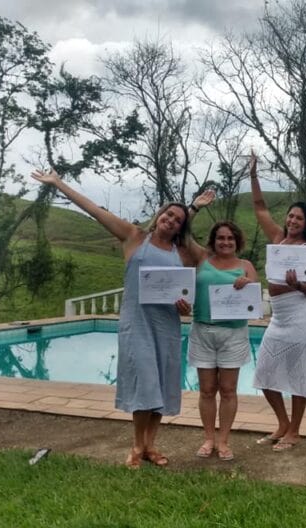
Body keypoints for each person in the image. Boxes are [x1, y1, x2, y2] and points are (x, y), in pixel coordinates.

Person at [30, 169, 210, 469]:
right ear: (160, 215)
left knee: (162, 385)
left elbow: (186, 291)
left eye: (178, 220)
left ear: (181, 227)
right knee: (144, 382)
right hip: (136, 323)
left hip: (166, 325)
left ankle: (151, 445)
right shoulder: (135, 237)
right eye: (168, 215)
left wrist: (184, 308)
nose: (171, 221)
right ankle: (137, 445)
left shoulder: (182, 254)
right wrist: (58, 183)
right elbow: (95, 211)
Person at [249, 153, 306, 452]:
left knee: (299, 373)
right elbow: (259, 207)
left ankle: (294, 431)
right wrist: (254, 174)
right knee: (265, 372)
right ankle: (282, 423)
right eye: (291, 216)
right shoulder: (278, 238)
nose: (293, 220)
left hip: (302, 312)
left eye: (299, 218)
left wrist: (299, 284)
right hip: (278, 317)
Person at [187, 221, 259, 461]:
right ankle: (209, 438)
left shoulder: (246, 266)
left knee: (228, 390)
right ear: (213, 240)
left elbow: (256, 300)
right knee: (207, 390)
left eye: (230, 238)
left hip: (234, 334)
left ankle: (224, 440)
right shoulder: (201, 261)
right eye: (220, 238)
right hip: (202, 330)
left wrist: (249, 285)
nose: (225, 242)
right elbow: (184, 235)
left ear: (237, 241)